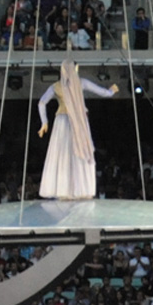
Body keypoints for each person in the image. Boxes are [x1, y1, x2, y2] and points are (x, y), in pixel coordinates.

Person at [36, 60, 118, 200]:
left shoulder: (57, 86)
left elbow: (42, 102)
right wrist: (111, 91)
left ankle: (68, 190)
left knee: (64, 155)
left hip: (63, 121)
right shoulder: (80, 82)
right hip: (76, 121)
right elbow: (103, 92)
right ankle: (78, 189)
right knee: (75, 153)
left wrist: (45, 122)